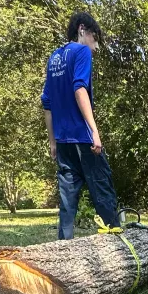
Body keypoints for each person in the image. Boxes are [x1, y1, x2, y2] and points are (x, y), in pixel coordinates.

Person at [42, 12, 121, 240]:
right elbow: (79, 90)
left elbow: (47, 102)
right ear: (82, 30)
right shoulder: (82, 51)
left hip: (63, 141)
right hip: (82, 138)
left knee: (67, 200)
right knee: (102, 187)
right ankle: (117, 244)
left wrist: (52, 141)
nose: (95, 47)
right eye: (95, 38)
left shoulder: (54, 58)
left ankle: (64, 246)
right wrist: (94, 131)